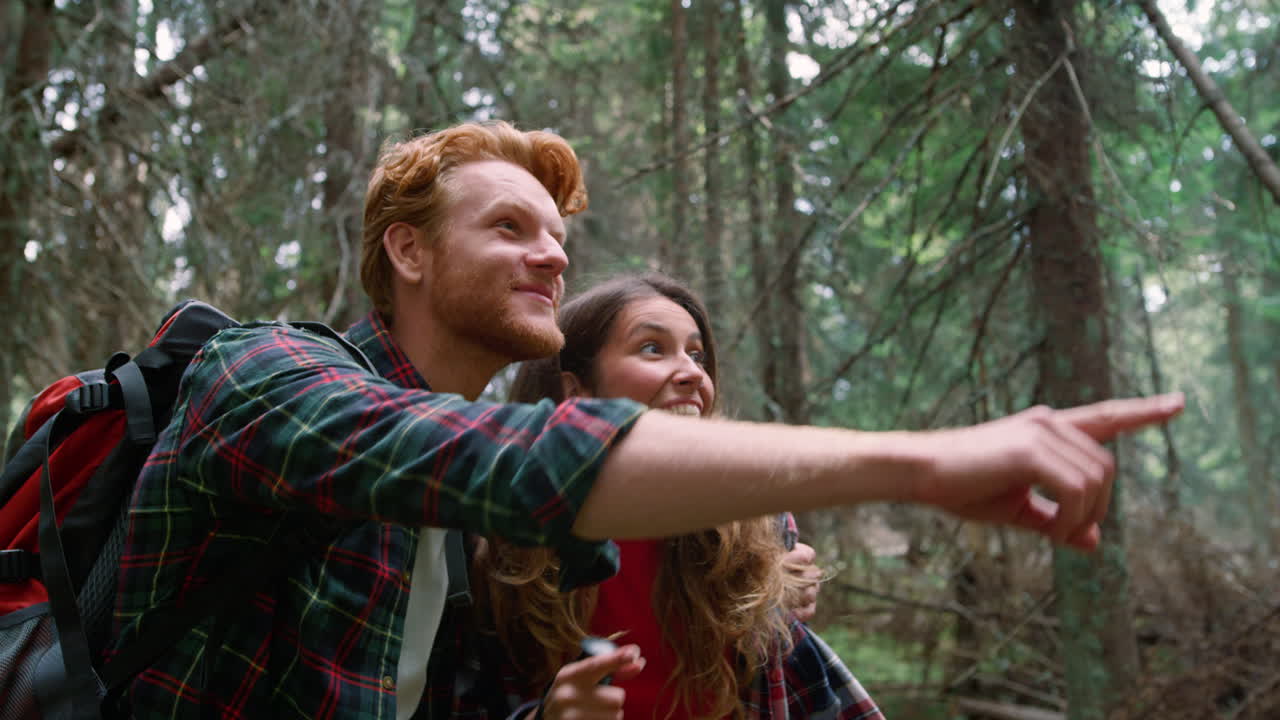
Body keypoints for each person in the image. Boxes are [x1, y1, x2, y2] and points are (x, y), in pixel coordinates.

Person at [108, 120, 1184, 719]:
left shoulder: (445, 520)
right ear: (407, 252)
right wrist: (921, 461)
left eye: (556, 233)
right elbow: (495, 459)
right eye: (509, 226)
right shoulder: (267, 375)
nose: (553, 254)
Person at [472, 272, 881, 719]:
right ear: (576, 391)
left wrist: (772, 595)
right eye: (652, 348)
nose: (691, 373)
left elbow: (785, 684)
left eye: (698, 355)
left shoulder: (755, 521)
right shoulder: (499, 541)